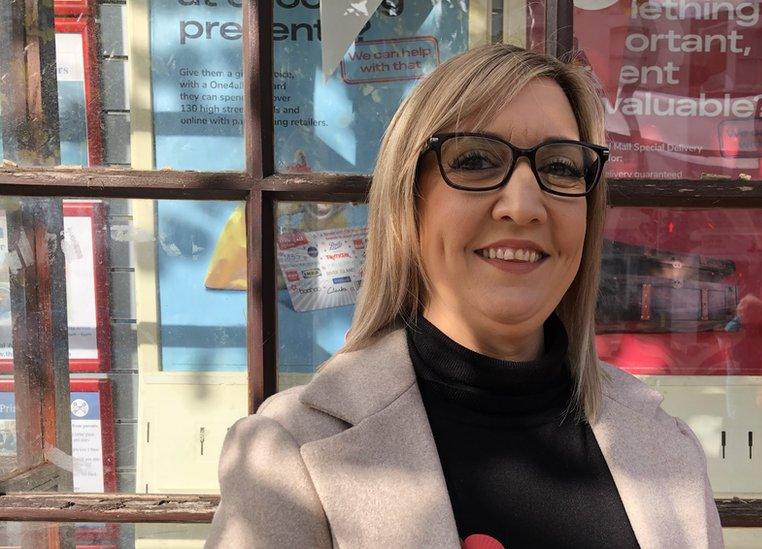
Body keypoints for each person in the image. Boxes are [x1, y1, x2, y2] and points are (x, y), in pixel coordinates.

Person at [205, 43, 722, 549]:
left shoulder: (666, 445)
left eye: (562, 167)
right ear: (410, 201)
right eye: (476, 159)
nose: (523, 206)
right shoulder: (288, 451)